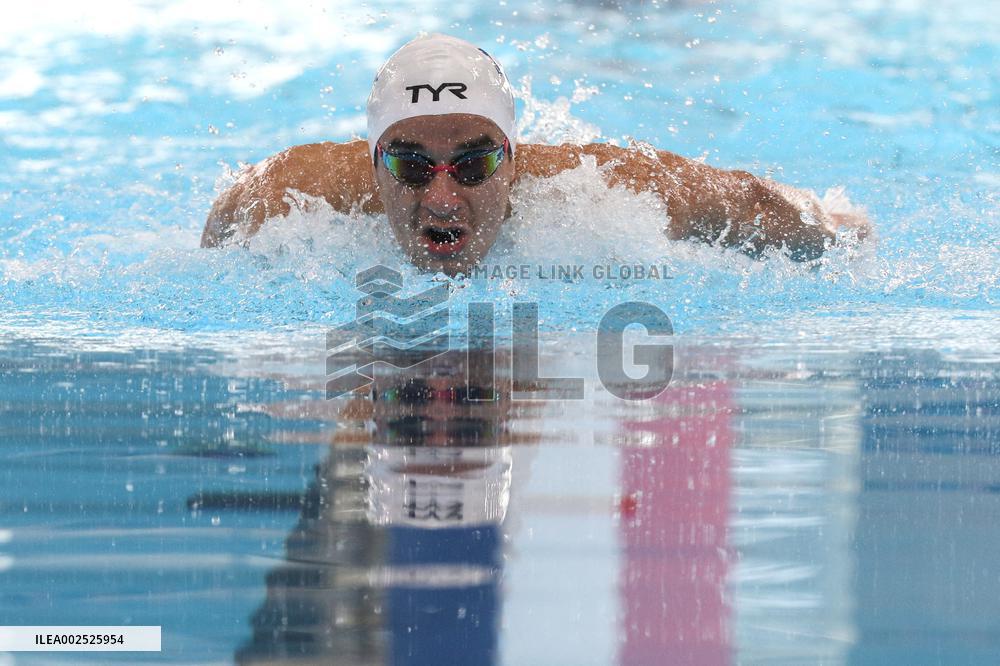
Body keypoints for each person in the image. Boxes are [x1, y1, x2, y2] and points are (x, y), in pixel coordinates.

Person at [201, 33, 870, 275]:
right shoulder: (290, 192)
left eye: (473, 164)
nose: (441, 197)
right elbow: (219, 232)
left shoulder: (610, 191)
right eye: (409, 165)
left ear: (515, 161)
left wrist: (835, 230)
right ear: (372, 164)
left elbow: (753, 204)